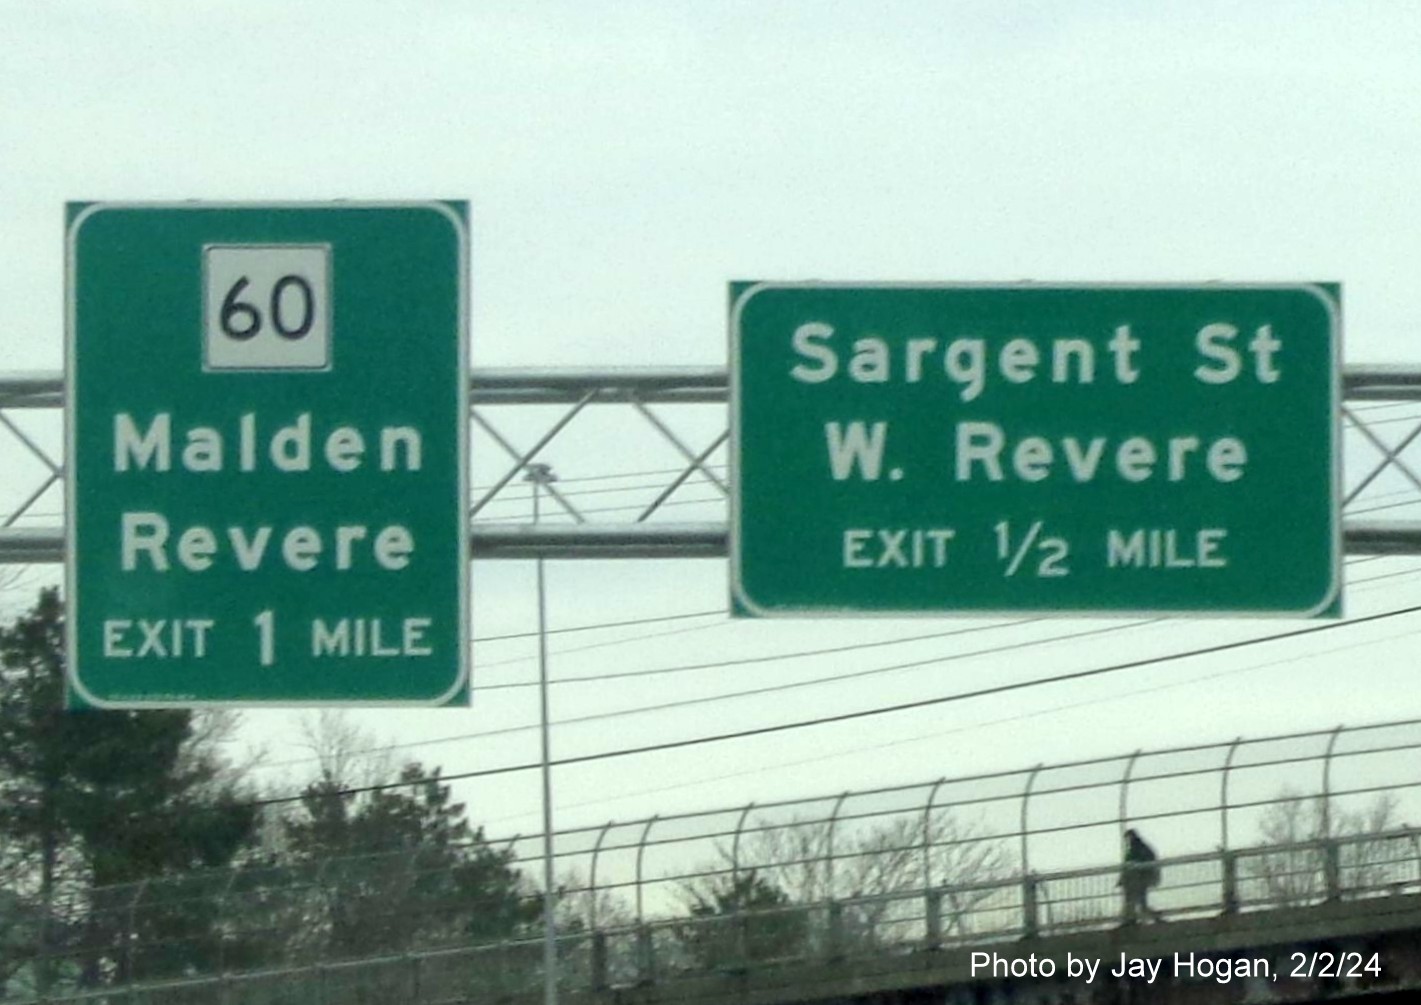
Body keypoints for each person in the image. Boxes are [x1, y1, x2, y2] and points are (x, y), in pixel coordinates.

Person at [1119, 828, 1163, 924]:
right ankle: (1153, 917)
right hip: (1141, 879)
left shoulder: (1136, 849)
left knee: (1133, 901)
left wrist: (1122, 879)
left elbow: (1130, 864)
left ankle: (1130, 920)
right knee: (1140, 902)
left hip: (1137, 880)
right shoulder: (1143, 847)